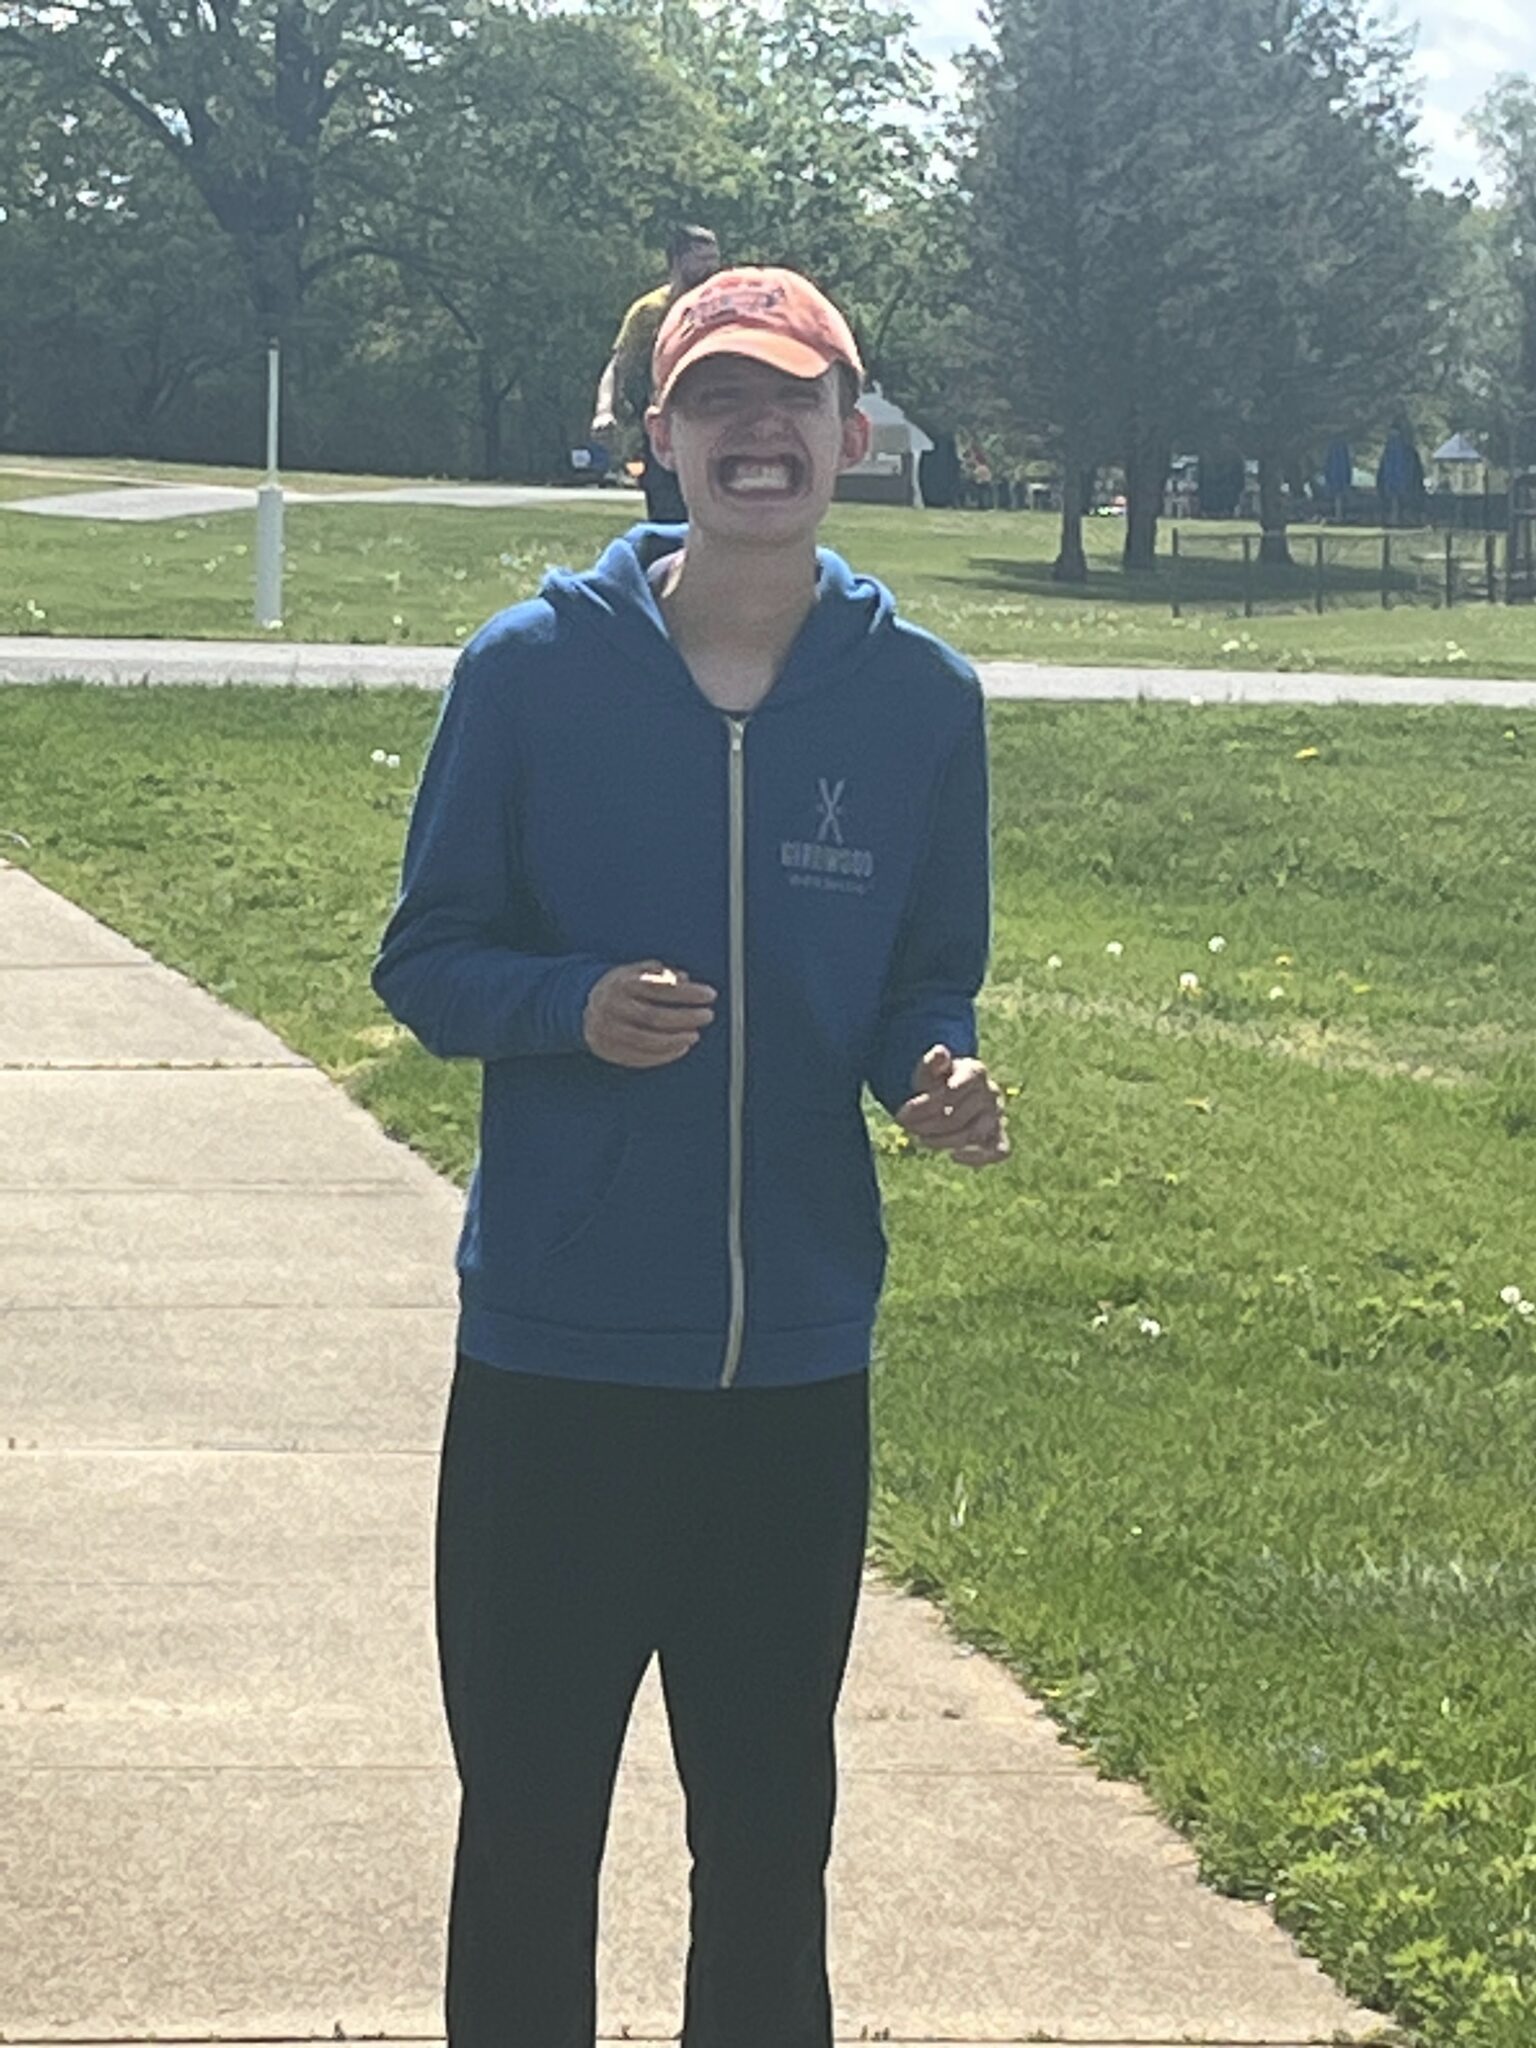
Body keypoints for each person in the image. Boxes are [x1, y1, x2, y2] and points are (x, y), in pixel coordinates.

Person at [373, 264, 1008, 2048]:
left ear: (848, 438)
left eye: (792, 400)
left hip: (791, 1365)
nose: (757, 429)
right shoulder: (530, 673)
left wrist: (934, 1068)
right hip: (558, 1355)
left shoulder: (919, 703)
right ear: (656, 438)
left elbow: (920, 975)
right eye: (715, 399)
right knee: (528, 1829)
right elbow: (427, 960)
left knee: (769, 1833)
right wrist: (568, 1003)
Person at [591, 223, 721, 522]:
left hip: (712, 428)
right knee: (667, 524)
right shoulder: (649, 311)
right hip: (665, 433)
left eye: (715, 259)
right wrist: (603, 411)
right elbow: (618, 365)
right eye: (703, 259)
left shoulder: (720, 308)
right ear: (677, 260)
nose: (712, 269)